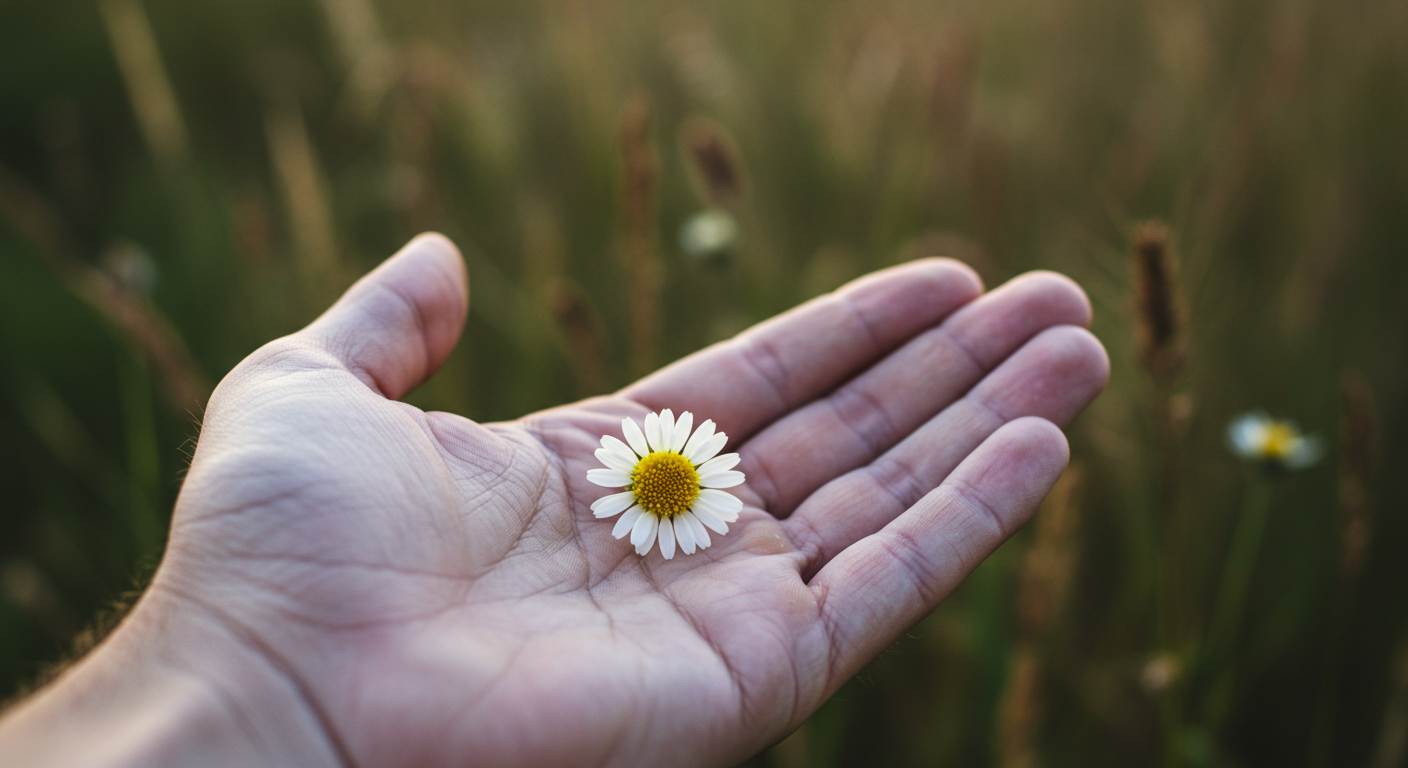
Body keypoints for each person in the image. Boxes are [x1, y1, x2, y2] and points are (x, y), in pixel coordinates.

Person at [0, 233, 1108, 767]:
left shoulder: (673, 487)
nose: (670, 473)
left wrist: (257, 689)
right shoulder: (651, 484)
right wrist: (261, 675)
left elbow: (690, 487)